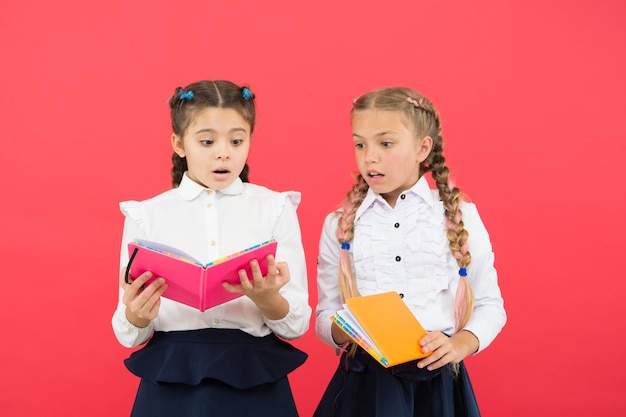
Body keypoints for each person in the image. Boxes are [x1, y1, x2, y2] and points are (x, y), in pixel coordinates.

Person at [111, 80, 311, 417]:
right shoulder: (147, 215)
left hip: (254, 374)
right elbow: (129, 333)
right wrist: (137, 313)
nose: (223, 152)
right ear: (179, 143)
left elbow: (296, 325)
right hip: (172, 375)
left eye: (236, 140)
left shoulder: (275, 208)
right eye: (207, 141)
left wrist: (268, 299)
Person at [314, 86, 506, 417]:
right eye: (360, 144)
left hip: (437, 386)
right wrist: (348, 326)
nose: (369, 156)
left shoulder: (458, 216)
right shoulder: (339, 225)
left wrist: (459, 345)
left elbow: (491, 305)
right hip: (366, 385)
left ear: (422, 147)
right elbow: (323, 316)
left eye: (385, 143)